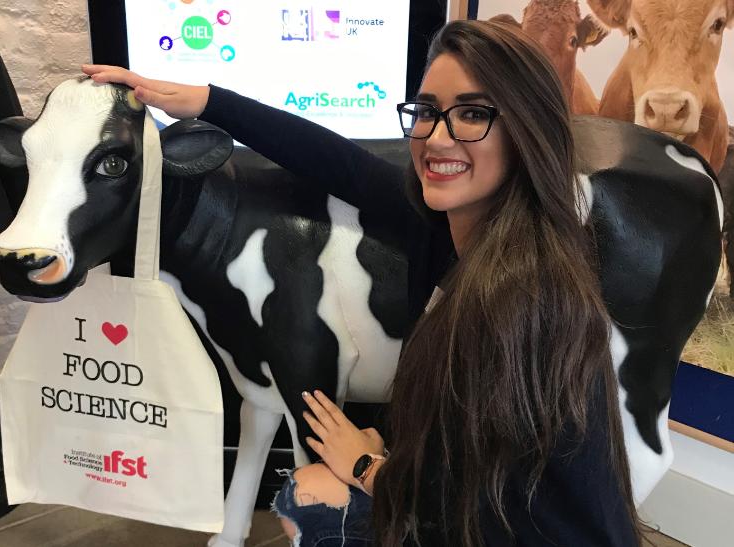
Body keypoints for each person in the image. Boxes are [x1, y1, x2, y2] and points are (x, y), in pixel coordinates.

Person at [83, 19, 639, 546]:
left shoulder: (521, 300)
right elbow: (337, 162)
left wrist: (368, 466)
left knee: (308, 494)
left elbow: (480, 511)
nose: (437, 138)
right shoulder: (453, 234)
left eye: (472, 114)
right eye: (426, 111)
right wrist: (208, 101)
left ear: (526, 132)